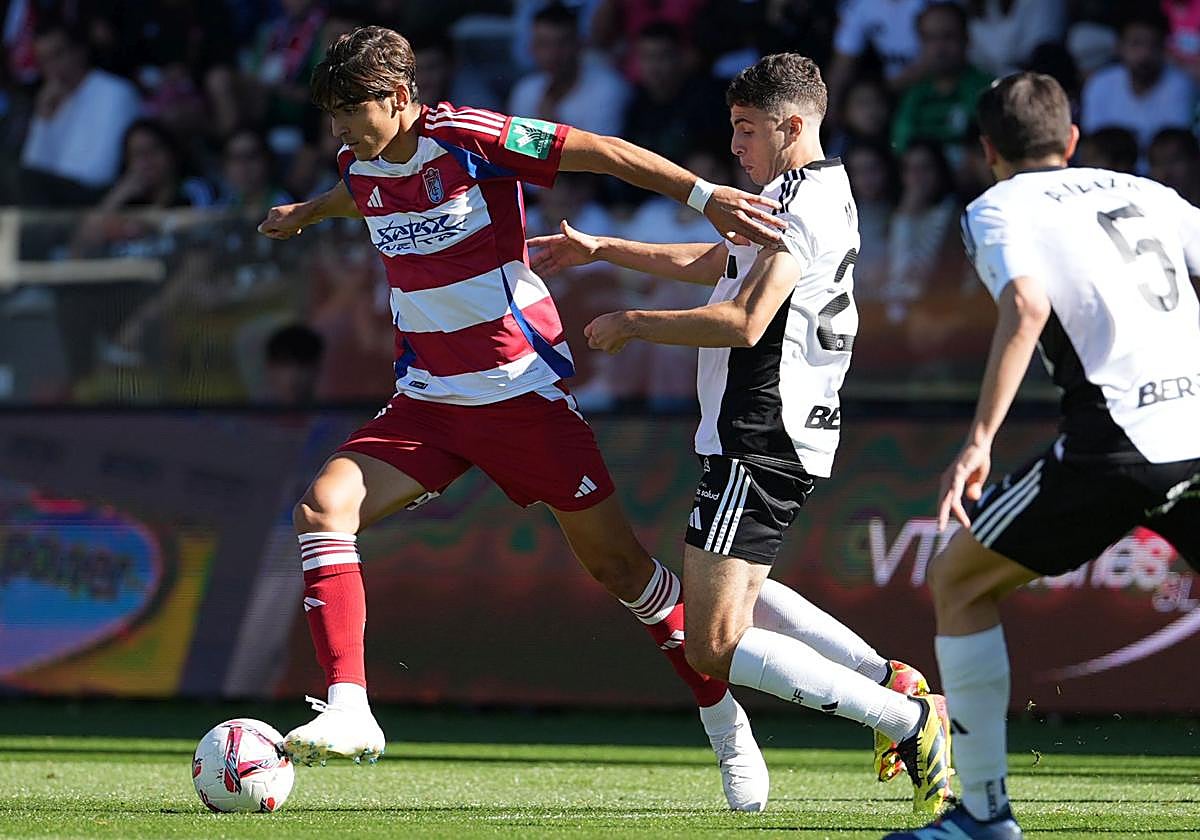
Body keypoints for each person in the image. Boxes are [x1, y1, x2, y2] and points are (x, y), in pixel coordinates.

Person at [257, 24, 803, 812]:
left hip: (520, 395)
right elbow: (363, 192)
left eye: (351, 110)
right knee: (322, 506)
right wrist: (309, 211)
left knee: (624, 574)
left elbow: (604, 151)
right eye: (332, 115)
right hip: (430, 401)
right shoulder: (358, 162)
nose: (339, 130)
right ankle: (351, 707)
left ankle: (723, 718)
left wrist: (705, 195)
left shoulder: (470, 137)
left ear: (400, 97)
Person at [527, 53, 954, 815]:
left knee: (712, 643)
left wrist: (634, 323)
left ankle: (906, 719)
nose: (736, 146)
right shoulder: (816, 190)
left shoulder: (800, 204)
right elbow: (718, 264)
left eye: (747, 129)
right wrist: (603, 249)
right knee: (736, 598)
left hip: (761, 430)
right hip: (778, 432)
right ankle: (891, 681)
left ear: (793, 126)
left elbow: (744, 318)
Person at [886, 71, 1200, 839]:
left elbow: (1026, 305)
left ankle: (982, 817)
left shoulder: (996, 206)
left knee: (960, 578)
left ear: (988, 149)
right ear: (1071, 140)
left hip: (1118, 438)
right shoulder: (1150, 192)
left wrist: (978, 442)